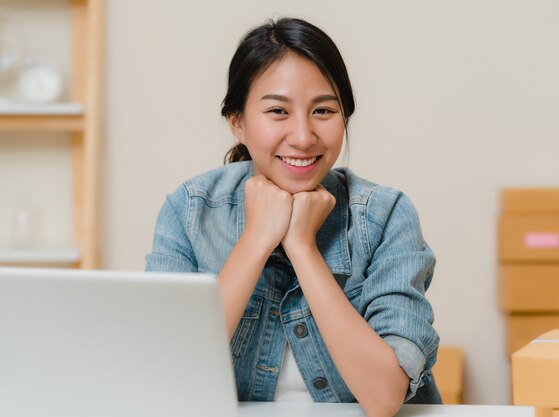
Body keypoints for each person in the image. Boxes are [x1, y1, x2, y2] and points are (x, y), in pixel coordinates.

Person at [146, 17, 440, 417]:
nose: (303, 136)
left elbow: (384, 395)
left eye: (323, 110)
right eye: (278, 111)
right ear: (238, 122)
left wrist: (303, 248)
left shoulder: (386, 216)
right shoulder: (190, 210)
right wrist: (256, 239)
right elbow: (168, 377)